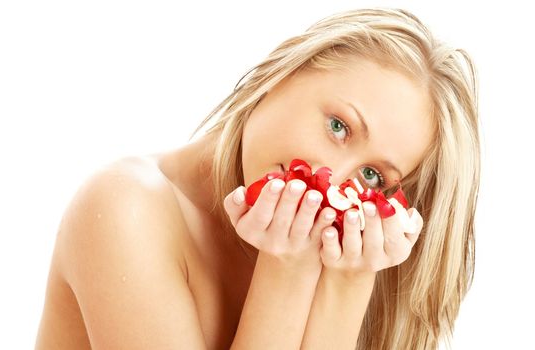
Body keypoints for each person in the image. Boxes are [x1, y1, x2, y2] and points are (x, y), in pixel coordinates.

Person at [34, 7, 479, 350]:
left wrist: (347, 286)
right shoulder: (125, 209)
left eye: (371, 175)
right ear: (283, 72)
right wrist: (283, 272)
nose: (333, 181)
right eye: (338, 127)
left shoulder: (345, 255)